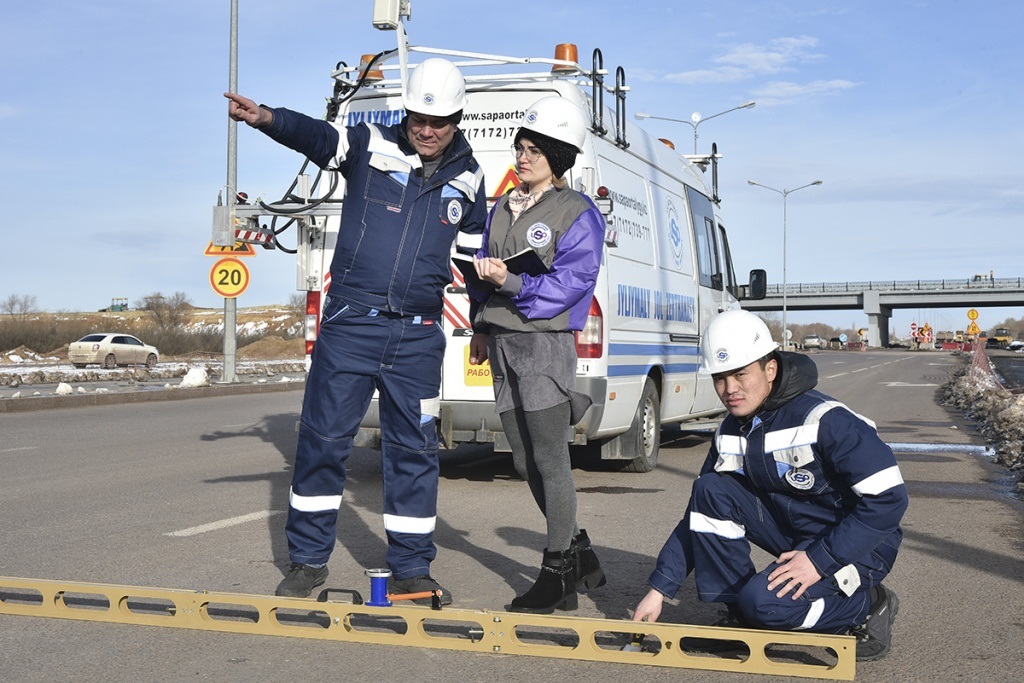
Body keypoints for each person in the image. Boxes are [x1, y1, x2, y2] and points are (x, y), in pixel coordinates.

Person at [224, 57, 488, 602]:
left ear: (458, 119)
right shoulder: (371, 142)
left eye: (439, 122)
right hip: (350, 325)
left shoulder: (472, 177)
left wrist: (484, 319)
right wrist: (269, 118)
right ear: (408, 112)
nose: (427, 130)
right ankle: (307, 562)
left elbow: (471, 260)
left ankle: (412, 568)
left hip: (416, 336)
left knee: (413, 452)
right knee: (323, 441)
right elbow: (319, 139)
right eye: (419, 117)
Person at [632, 310, 909, 661]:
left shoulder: (826, 421)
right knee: (710, 490)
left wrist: (820, 560)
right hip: (797, 538)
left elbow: (889, 501)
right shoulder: (731, 430)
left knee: (765, 606)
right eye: (720, 378)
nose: (729, 389)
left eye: (740, 374)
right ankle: (738, 619)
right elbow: (700, 514)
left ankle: (865, 606)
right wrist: (659, 589)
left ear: (770, 369)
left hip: (858, 546)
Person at [466, 96, 606, 613]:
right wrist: (481, 320)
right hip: (502, 339)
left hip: (544, 343)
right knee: (524, 459)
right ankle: (578, 552)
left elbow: (575, 282)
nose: (522, 157)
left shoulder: (577, 212)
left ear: (558, 157)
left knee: (550, 459)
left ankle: (556, 576)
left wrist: (515, 281)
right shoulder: (503, 204)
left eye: (534, 150)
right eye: (520, 148)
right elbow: (485, 264)